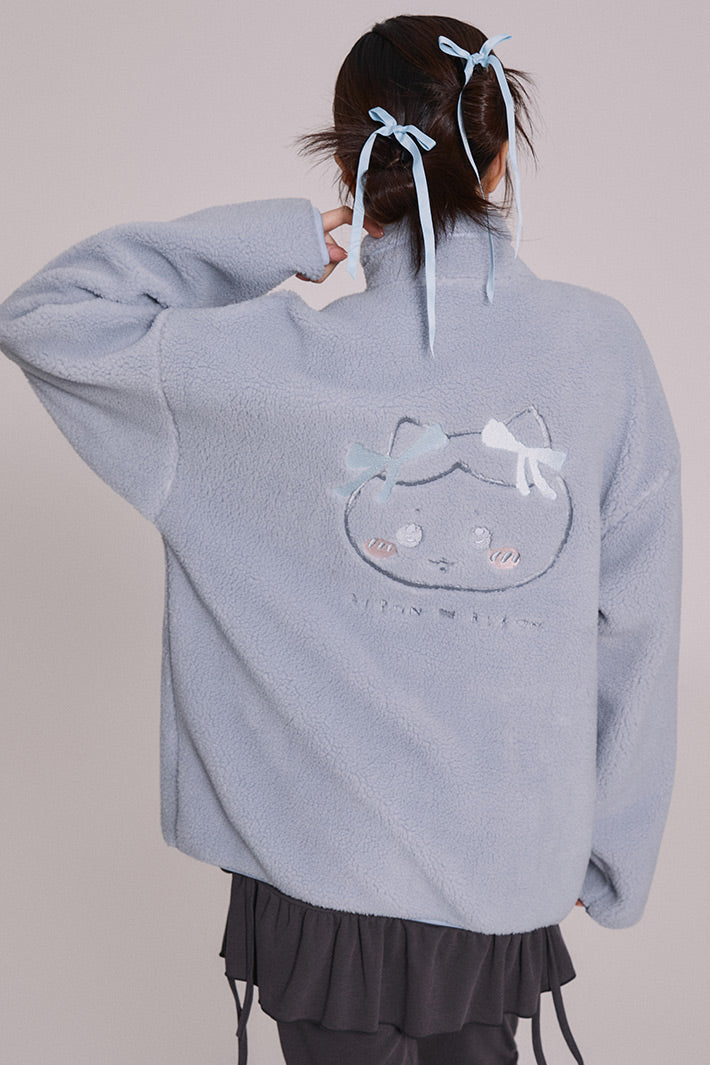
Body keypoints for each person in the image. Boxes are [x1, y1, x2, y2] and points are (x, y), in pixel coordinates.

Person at [0, 13, 682, 1065]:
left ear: (354, 167)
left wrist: (275, 239)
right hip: (501, 873)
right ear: (500, 162)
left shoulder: (255, 367)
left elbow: (47, 314)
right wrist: (614, 849)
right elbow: (637, 622)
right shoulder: (601, 350)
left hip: (318, 877)